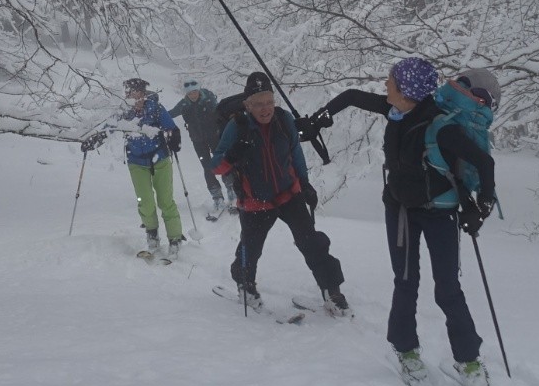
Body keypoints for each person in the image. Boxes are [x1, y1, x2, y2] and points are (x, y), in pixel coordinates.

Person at [307, 59, 499, 386]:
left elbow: (484, 161)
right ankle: (406, 350)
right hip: (401, 210)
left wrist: (482, 205)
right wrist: (319, 119)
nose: (385, 85)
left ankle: (468, 358)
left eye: (391, 81)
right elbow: (352, 95)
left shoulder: (441, 127)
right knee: (406, 281)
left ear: (406, 90)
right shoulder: (396, 109)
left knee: (447, 288)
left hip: (440, 212)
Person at [211, 72, 347, 313]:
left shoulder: (284, 120)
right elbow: (216, 166)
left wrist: (305, 184)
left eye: (269, 102)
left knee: (311, 242)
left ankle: (331, 291)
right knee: (250, 249)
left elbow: (296, 154)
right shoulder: (237, 127)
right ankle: (246, 286)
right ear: (248, 105)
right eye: (258, 104)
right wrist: (232, 155)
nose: (265, 109)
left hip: (288, 195)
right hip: (254, 202)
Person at [82, 78, 186, 258]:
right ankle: (152, 235)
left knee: (165, 201)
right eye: (127, 92)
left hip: (160, 159)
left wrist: (174, 137)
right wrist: (94, 140)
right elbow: (108, 130)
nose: (129, 95)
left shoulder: (155, 108)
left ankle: (175, 239)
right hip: (136, 161)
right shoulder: (123, 112)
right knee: (144, 202)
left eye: (133, 91)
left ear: (142, 93)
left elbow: (171, 127)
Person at [168, 80, 236, 216]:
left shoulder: (209, 100)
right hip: (198, 140)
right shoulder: (184, 104)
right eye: (190, 93)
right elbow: (170, 114)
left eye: (194, 91)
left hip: (215, 137)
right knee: (207, 166)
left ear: (198, 90)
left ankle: (232, 191)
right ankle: (217, 197)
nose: (193, 94)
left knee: (221, 162)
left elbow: (221, 112)